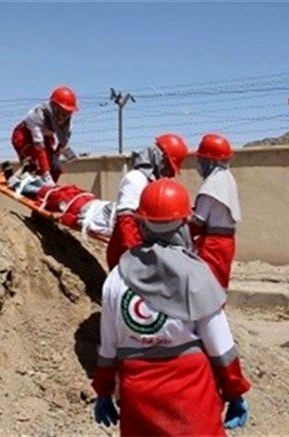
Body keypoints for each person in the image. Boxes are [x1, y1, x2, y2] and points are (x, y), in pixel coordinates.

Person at [92, 178, 251, 435]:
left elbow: (108, 346)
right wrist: (235, 393)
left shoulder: (116, 277)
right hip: (191, 393)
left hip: (138, 393)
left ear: (140, 222)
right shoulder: (196, 275)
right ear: (184, 222)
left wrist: (103, 391)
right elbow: (220, 346)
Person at [106, 133, 189, 269]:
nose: (167, 174)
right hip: (126, 256)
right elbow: (126, 225)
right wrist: (138, 259)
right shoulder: (135, 180)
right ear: (160, 159)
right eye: (168, 167)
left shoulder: (151, 182)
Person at [3, 163, 113, 237]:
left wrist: (62, 217)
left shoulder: (107, 225)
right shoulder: (118, 212)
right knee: (57, 190)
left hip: (74, 206)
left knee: (51, 194)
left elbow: (82, 222)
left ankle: (15, 183)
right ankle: (29, 178)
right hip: (84, 200)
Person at [190, 133, 241, 288]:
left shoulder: (212, 183)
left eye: (201, 159)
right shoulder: (228, 178)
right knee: (220, 284)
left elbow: (197, 222)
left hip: (213, 243)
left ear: (211, 161)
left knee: (208, 286)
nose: (199, 163)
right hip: (227, 242)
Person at [11, 86, 78, 185]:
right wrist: (46, 174)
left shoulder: (68, 125)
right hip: (25, 136)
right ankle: (28, 176)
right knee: (34, 161)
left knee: (56, 168)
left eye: (67, 114)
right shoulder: (37, 116)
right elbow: (39, 148)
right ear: (53, 107)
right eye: (61, 112)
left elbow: (63, 144)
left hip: (46, 138)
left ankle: (47, 190)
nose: (63, 118)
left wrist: (56, 156)